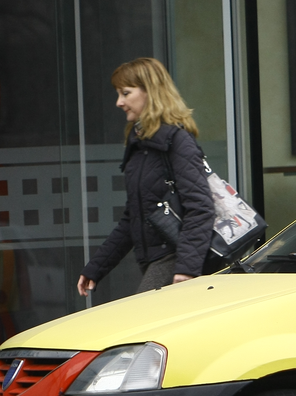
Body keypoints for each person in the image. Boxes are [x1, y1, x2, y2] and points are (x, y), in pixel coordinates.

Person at [78, 57, 213, 297]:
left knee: (140, 317)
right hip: (156, 260)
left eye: (125, 93)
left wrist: (186, 269)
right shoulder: (140, 145)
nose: (119, 102)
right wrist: (96, 267)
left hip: (174, 258)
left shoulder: (177, 141)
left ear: (150, 92)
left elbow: (200, 207)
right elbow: (134, 216)